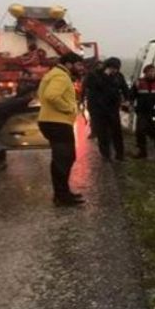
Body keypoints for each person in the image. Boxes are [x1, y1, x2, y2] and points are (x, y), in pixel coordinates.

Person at [38, 52, 85, 206]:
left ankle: (62, 193)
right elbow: (51, 96)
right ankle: (62, 196)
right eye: (78, 65)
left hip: (52, 121)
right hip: (57, 123)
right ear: (69, 64)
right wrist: (68, 109)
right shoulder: (61, 76)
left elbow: (42, 94)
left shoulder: (54, 73)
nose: (80, 68)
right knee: (64, 158)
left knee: (62, 159)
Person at [84, 57, 129, 161]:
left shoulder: (118, 76)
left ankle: (120, 155)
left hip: (113, 108)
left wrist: (127, 98)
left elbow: (124, 87)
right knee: (102, 133)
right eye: (113, 68)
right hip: (98, 109)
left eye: (116, 69)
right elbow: (93, 87)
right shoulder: (94, 75)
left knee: (117, 132)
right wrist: (106, 76)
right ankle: (106, 155)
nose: (115, 71)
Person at [130, 64, 155, 161]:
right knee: (140, 132)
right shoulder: (138, 83)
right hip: (143, 112)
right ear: (145, 73)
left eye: (154, 71)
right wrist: (130, 104)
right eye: (150, 71)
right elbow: (132, 95)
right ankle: (142, 152)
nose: (152, 73)